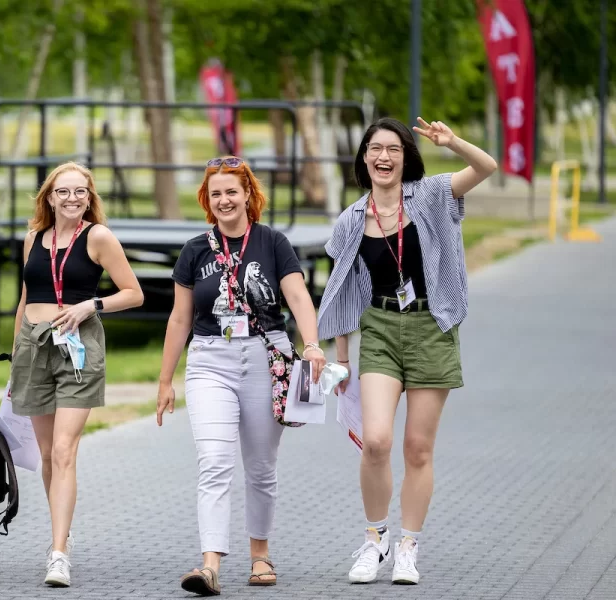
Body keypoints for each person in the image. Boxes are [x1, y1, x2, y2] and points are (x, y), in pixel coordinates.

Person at [317, 117, 497, 585]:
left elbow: (486, 167)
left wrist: (452, 141)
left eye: (393, 149)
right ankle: (374, 539)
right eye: (375, 148)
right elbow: (341, 291)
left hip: (430, 326)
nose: (384, 157)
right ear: (363, 158)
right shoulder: (351, 220)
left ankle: (408, 546)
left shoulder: (433, 195)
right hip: (377, 328)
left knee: (418, 448)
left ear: (405, 157)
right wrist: (340, 358)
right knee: (376, 440)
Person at [156, 156, 326, 596]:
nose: (224, 200)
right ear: (207, 201)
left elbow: (297, 297)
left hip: (266, 357)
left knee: (261, 468)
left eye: (232, 191)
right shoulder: (195, 249)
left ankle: (260, 554)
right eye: (216, 194)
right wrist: (164, 379)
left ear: (249, 194)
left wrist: (310, 344)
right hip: (210, 360)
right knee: (214, 461)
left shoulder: (272, 242)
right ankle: (210, 564)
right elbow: (179, 319)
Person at [7, 162, 143, 587]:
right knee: (47, 456)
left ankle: (59, 552)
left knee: (65, 451)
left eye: (80, 192)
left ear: (89, 196)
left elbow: (134, 293)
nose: (71, 199)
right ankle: (59, 534)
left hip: (78, 348)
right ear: (49, 197)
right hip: (33, 345)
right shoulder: (34, 238)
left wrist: (91, 305)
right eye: (63, 192)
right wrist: (15, 357)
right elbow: (25, 298)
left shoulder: (98, 237)